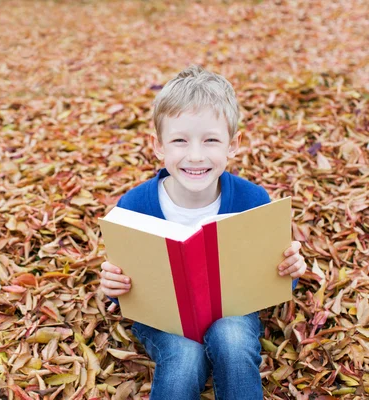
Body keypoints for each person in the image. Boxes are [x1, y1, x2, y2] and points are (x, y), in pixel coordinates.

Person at [100, 65, 306, 400]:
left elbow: (277, 276)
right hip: (164, 319)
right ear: (158, 145)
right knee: (183, 358)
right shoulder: (133, 205)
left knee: (233, 340)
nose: (195, 155)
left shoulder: (253, 201)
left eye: (211, 140)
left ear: (232, 145)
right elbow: (121, 283)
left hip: (233, 310)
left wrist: (291, 270)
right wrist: (112, 286)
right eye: (180, 141)